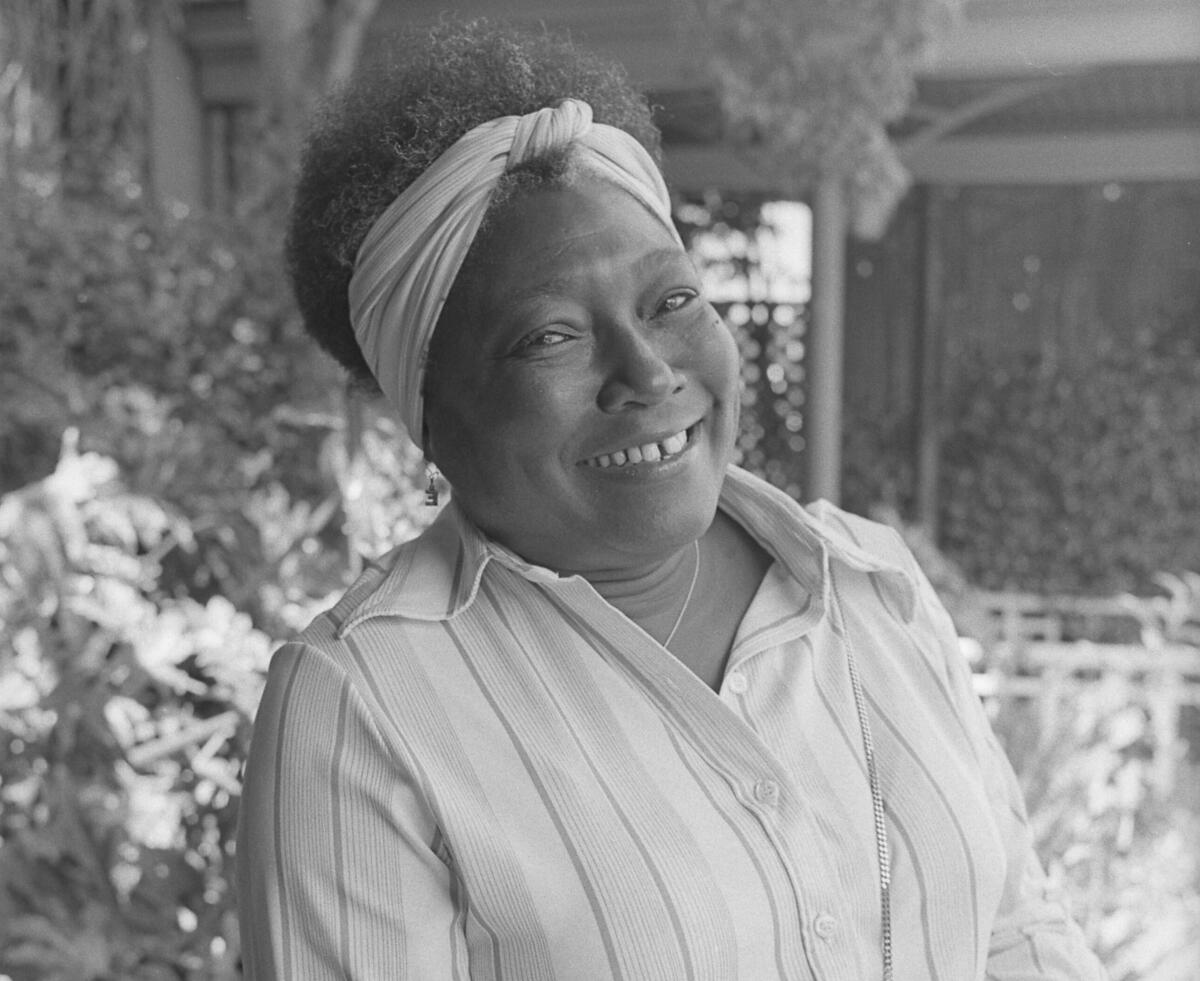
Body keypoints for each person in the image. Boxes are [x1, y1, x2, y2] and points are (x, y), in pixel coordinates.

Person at [236, 20, 1108, 981]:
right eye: (549, 338)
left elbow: (1015, 933)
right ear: (430, 414)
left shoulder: (872, 587)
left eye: (672, 301)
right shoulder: (367, 707)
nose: (647, 374)